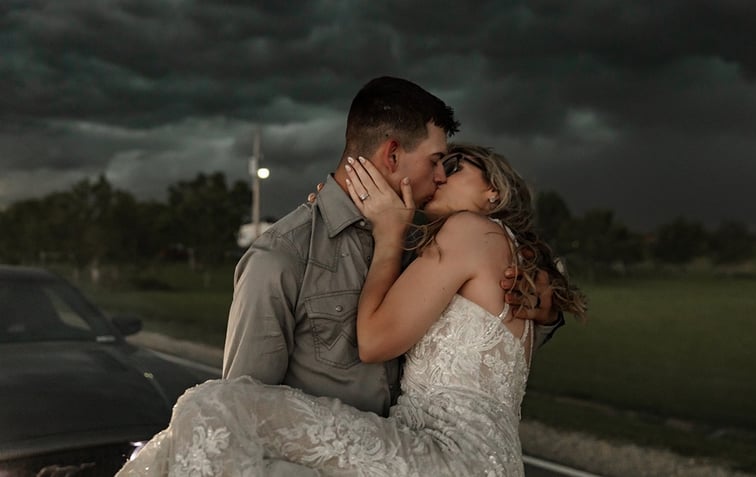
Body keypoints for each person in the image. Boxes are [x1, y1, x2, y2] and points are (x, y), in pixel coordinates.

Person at [116, 144, 587, 476]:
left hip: (443, 456)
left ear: (494, 193)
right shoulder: (505, 257)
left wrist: (386, 235)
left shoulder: (468, 230)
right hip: (490, 461)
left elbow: (375, 341)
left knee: (214, 404)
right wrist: (332, 214)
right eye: (440, 163)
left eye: (457, 165)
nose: (440, 174)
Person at [221, 76, 563, 418]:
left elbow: (480, 349)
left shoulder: (429, 245)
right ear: (393, 154)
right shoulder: (283, 255)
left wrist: (542, 306)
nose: (441, 177)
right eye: (435, 161)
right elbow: (241, 409)